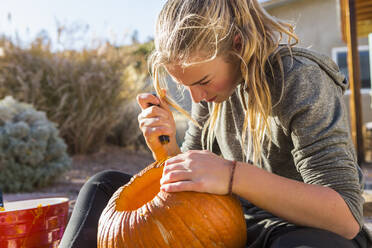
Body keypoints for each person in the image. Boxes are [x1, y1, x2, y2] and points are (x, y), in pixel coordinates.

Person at [60, 0, 371, 247]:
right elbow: (189, 201)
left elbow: (345, 217)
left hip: (302, 230)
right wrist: (166, 147)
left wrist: (232, 176)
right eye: (188, 86)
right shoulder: (211, 95)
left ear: (237, 44)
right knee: (103, 186)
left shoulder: (300, 78)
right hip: (234, 222)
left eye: (203, 81)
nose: (197, 97)